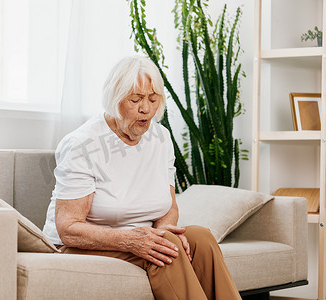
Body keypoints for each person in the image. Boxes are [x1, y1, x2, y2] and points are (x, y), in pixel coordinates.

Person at [43, 56, 241, 300]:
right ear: (114, 100)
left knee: (201, 237)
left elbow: (168, 205)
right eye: (136, 99)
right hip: (77, 247)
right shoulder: (82, 144)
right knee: (165, 251)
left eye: (153, 99)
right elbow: (69, 229)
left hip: (137, 237)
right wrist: (130, 240)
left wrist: (165, 230)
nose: (146, 108)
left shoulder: (161, 138)